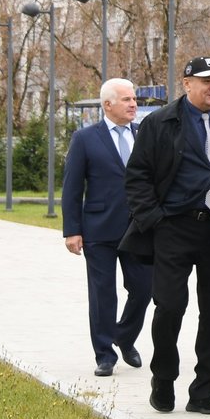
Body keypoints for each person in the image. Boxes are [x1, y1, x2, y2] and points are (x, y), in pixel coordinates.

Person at [121, 56, 210, 415]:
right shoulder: (160, 123)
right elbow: (137, 177)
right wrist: (155, 220)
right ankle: (163, 379)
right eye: (207, 81)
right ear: (187, 84)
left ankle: (204, 392)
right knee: (170, 306)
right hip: (174, 228)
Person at [60, 78, 152, 377]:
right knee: (103, 293)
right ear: (108, 104)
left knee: (144, 288)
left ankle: (124, 337)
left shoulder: (144, 134)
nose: (133, 104)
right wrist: (72, 230)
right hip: (99, 228)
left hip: (138, 228)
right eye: (126, 99)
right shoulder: (86, 138)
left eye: (134, 98)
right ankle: (104, 354)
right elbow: (72, 187)